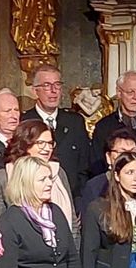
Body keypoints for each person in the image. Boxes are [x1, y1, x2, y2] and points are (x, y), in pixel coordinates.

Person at [0, 120, 78, 241]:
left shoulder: (59, 173)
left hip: (61, 252)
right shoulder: (0, 180)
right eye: (41, 143)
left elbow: (73, 224)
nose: (47, 148)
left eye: (50, 143)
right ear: (25, 144)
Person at [23, 63, 91, 199]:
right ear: (35, 91)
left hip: (71, 198)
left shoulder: (75, 122)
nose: (54, 91)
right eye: (47, 86)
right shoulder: (24, 122)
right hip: (33, 198)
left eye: (57, 85)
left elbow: (85, 166)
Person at [78, 128, 136, 220]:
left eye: (133, 152)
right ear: (108, 157)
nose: (128, 157)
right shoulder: (94, 186)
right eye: (122, 152)